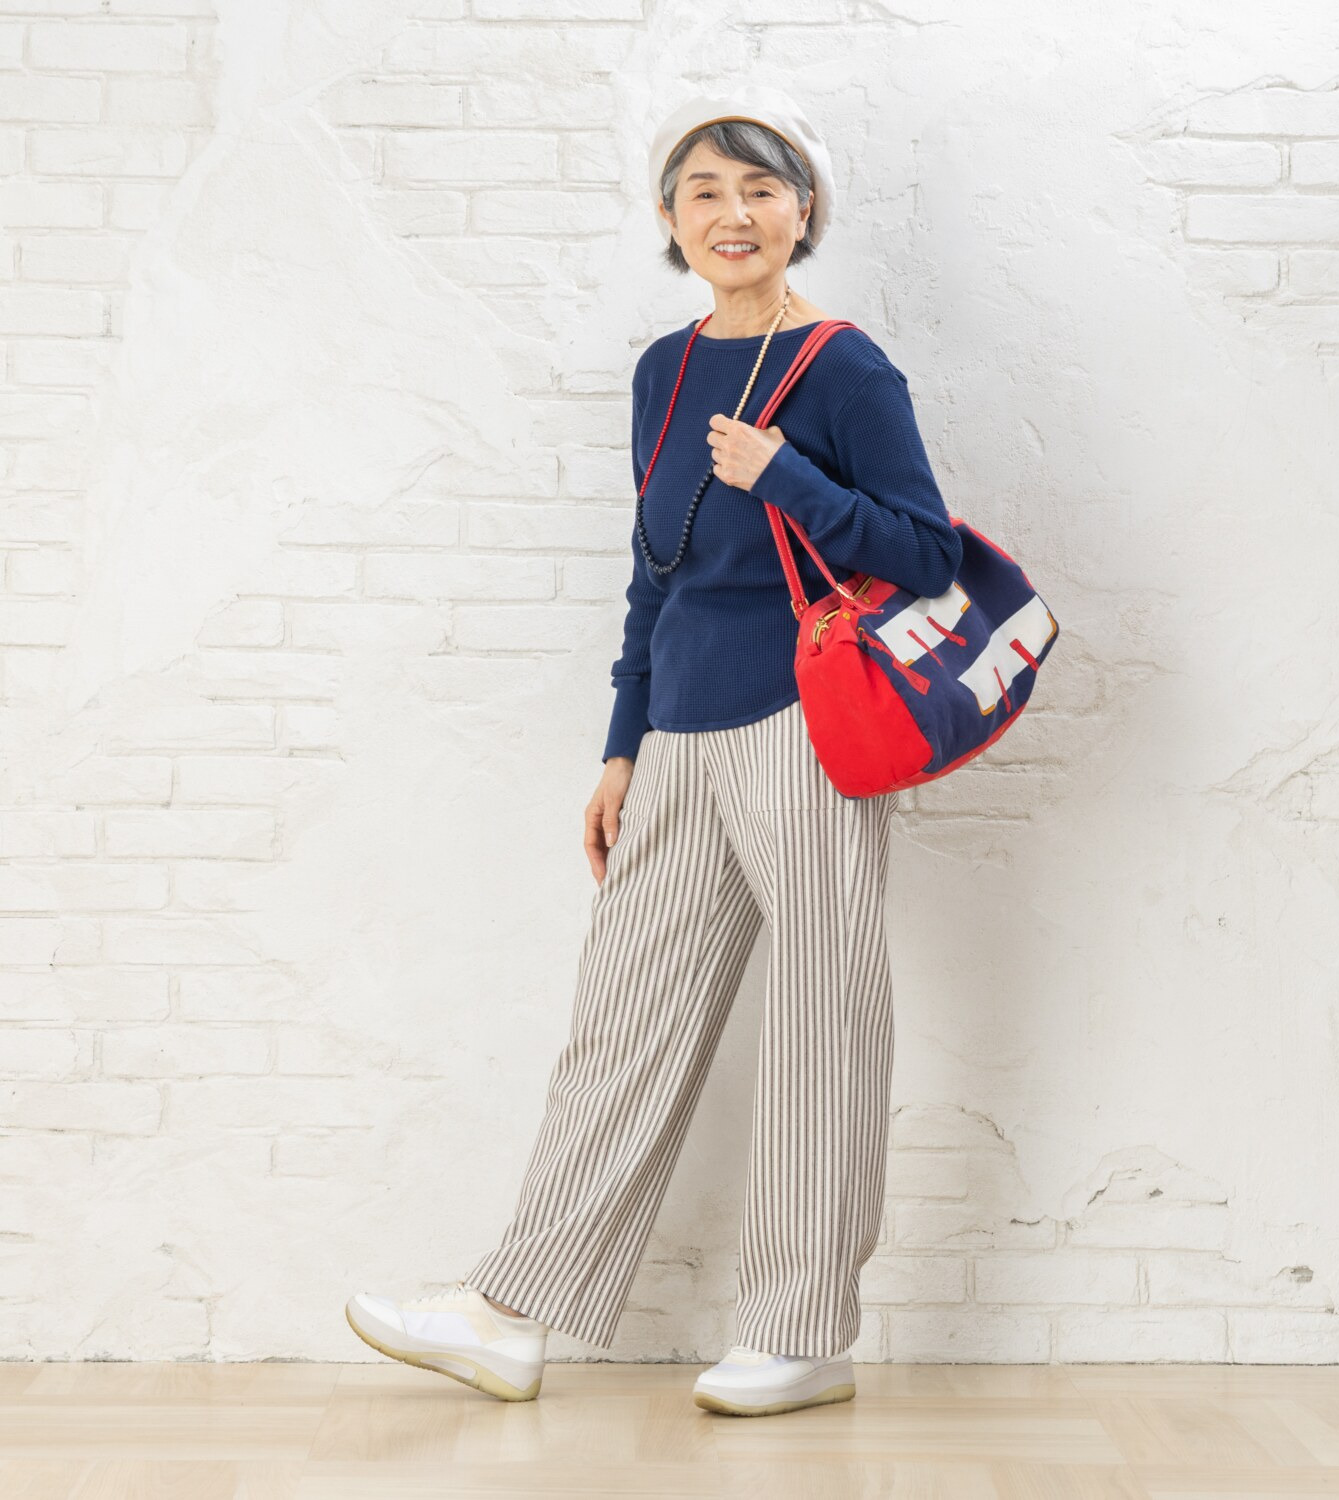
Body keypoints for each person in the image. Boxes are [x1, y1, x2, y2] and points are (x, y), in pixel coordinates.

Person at [346, 86, 962, 1418]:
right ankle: (513, 1313)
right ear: (671, 221)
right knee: (623, 1024)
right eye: (703, 193)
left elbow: (924, 553)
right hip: (677, 731)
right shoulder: (662, 371)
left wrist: (786, 475)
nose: (733, 215)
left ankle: (802, 1334)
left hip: (806, 729)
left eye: (760, 190)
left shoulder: (847, 368)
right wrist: (622, 744)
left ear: (804, 210)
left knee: (822, 1025)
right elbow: (654, 573)